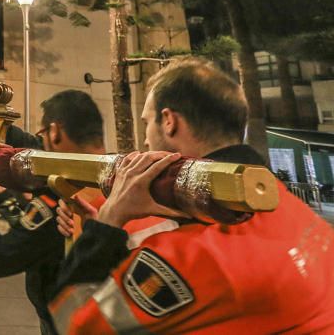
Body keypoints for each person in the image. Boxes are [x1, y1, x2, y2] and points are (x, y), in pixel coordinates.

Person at [49, 58, 334, 333]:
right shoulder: (294, 209)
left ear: (169, 121)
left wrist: (106, 224)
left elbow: (73, 322)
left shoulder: (201, 255)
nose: (146, 139)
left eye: (147, 122)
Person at [0, 90, 106, 334]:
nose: (40, 143)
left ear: (54, 132)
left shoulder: (61, 197)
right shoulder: (116, 179)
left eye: (43, 135)